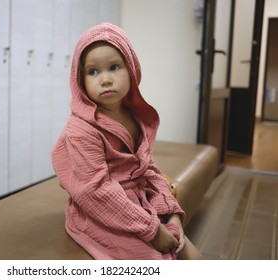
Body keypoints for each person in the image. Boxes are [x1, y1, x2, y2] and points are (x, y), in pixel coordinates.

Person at [51, 22, 202, 260]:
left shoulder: (134, 115)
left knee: (194, 257)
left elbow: (149, 169)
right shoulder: (81, 129)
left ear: (131, 70)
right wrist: (152, 230)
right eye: (93, 71)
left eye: (114, 67)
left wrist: (172, 215)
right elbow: (96, 191)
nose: (105, 79)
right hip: (101, 209)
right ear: (79, 80)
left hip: (138, 200)